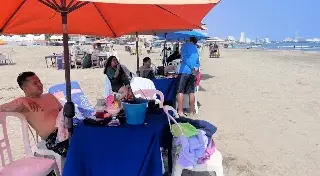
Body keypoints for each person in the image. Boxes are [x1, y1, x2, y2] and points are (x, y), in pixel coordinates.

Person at [0, 72, 69, 157]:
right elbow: (2, 108)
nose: (40, 84)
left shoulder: (49, 96)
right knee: (79, 149)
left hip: (68, 129)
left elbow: (64, 113)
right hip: (54, 138)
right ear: (25, 88)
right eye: (35, 83)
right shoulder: (23, 104)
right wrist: (22, 100)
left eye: (39, 81)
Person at [176, 37, 200, 117]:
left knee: (180, 91)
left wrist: (191, 66)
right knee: (191, 92)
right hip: (192, 73)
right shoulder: (196, 48)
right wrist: (195, 67)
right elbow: (198, 62)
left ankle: (180, 111)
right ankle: (191, 112)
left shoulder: (185, 45)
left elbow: (184, 58)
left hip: (184, 71)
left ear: (190, 40)